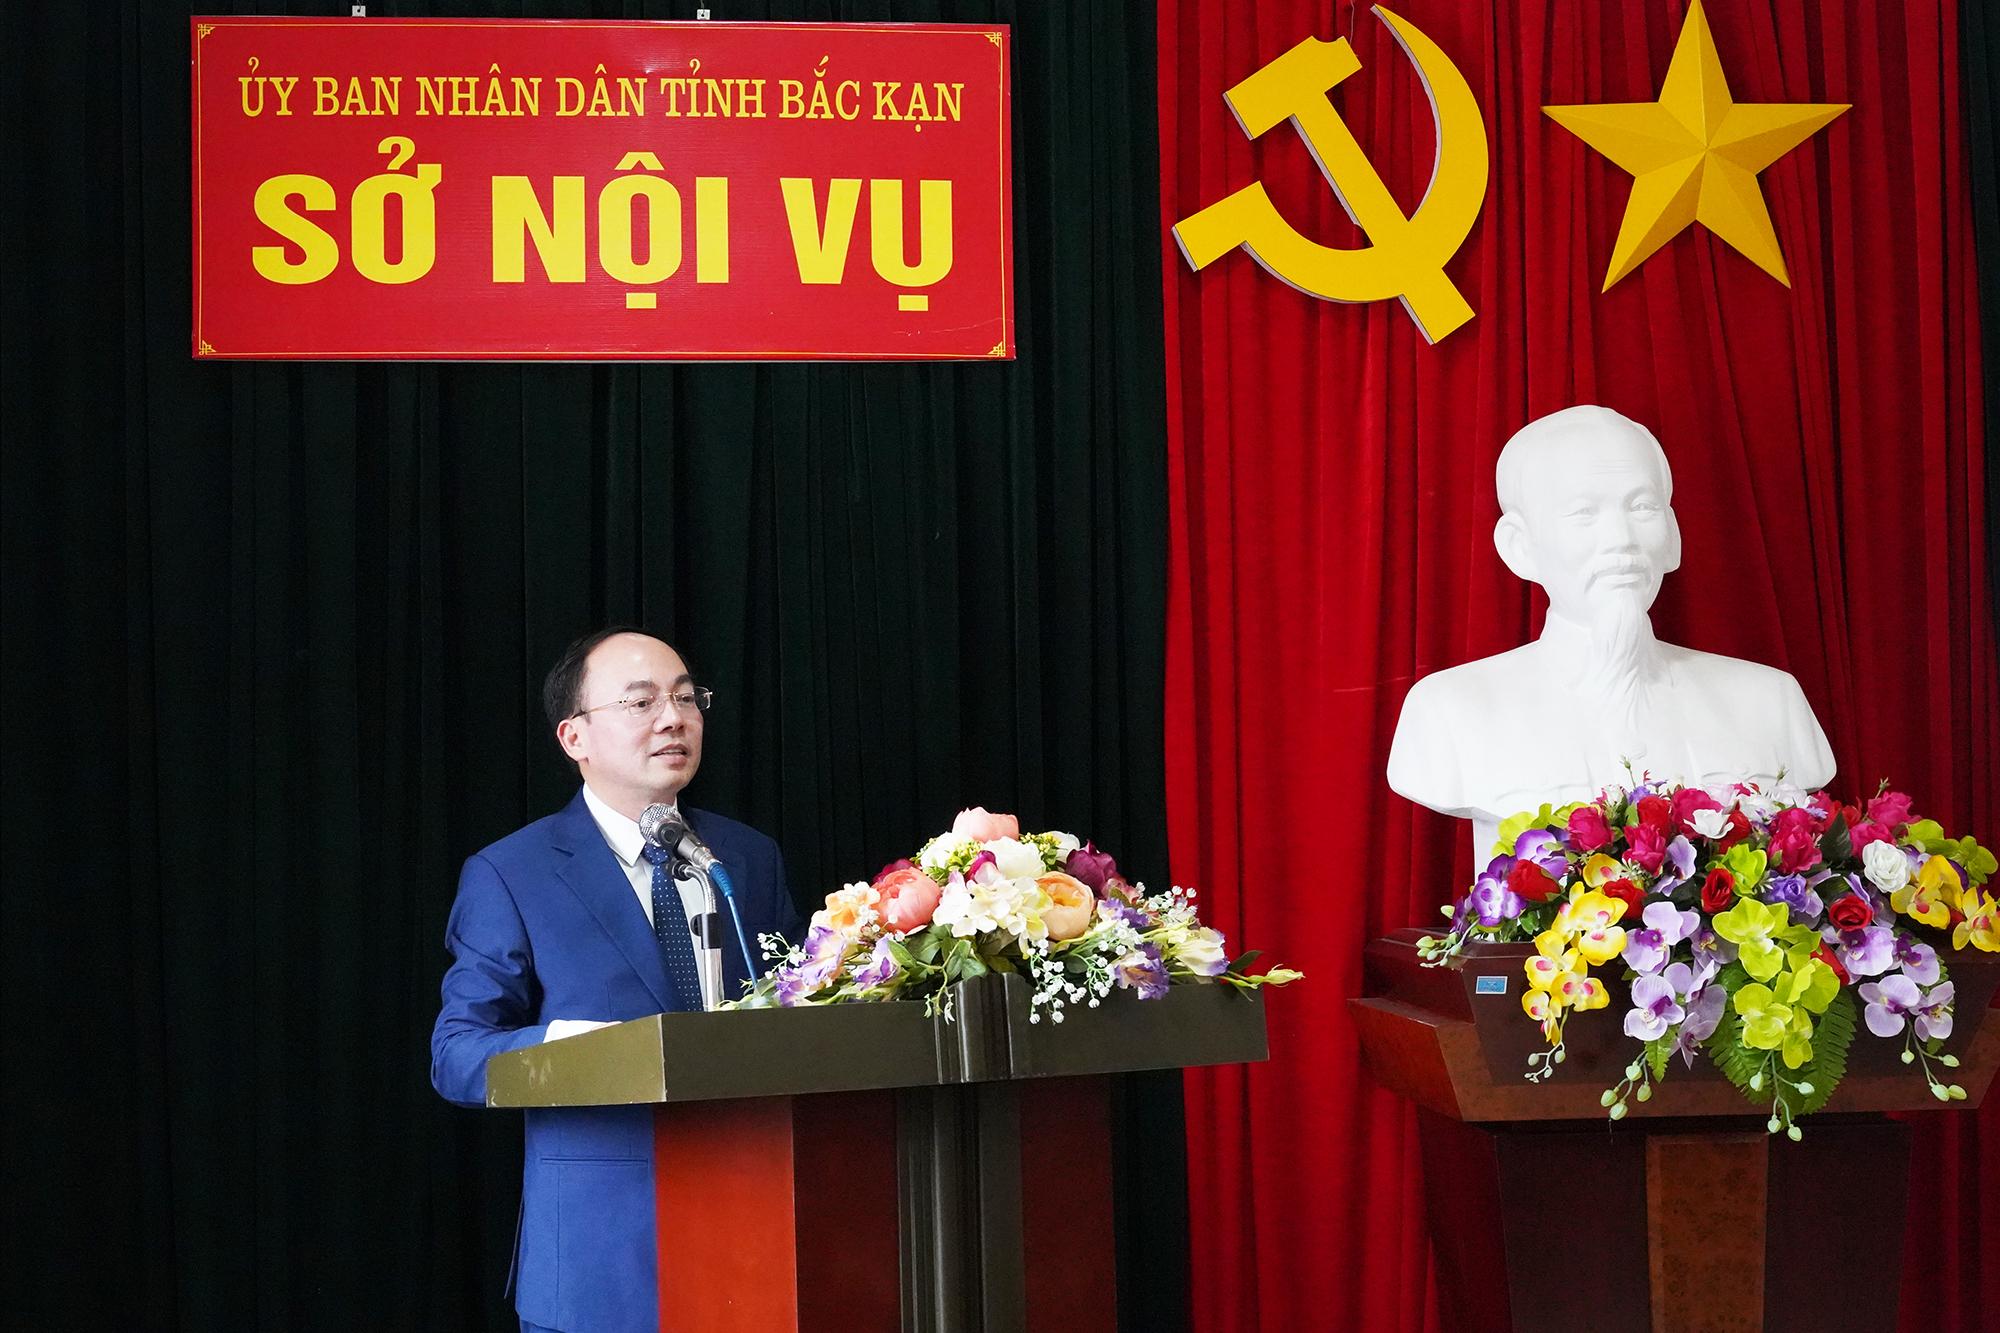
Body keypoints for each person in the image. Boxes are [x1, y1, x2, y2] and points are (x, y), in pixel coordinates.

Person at [430, 627, 802, 1333]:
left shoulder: (748, 858)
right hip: (601, 1258)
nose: (673, 718)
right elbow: (457, 1054)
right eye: (641, 702)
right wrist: (582, 1047)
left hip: (754, 1232)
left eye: (687, 698)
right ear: (574, 736)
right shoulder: (512, 872)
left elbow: (793, 1009)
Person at [1387, 405, 1835, 858]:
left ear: (1673, 536)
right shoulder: (1449, 708)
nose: (1622, 538)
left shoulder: (1770, 701)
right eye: (1584, 512)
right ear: (1518, 547)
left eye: (1642, 507)